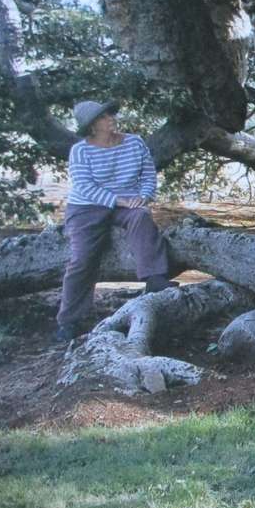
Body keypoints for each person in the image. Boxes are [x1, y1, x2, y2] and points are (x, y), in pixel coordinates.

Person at [55, 100, 175, 342]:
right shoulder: (81, 150)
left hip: (129, 202)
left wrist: (144, 196)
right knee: (82, 259)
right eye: (103, 117)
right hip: (87, 207)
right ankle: (69, 321)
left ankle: (154, 279)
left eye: (110, 114)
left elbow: (147, 172)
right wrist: (119, 200)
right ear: (91, 127)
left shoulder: (134, 142)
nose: (111, 118)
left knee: (141, 217)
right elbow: (84, 187)